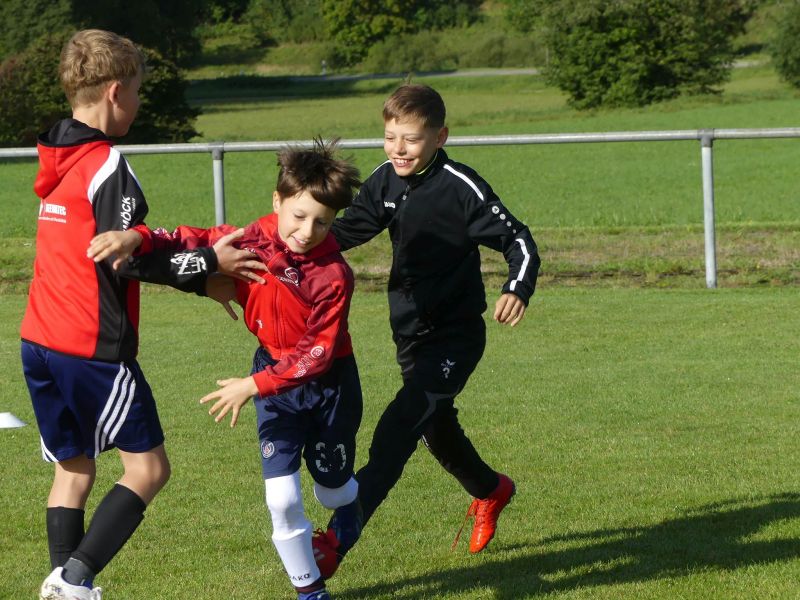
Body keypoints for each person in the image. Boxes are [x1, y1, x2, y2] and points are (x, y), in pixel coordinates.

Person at [23, 29, 265, 600]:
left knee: (74, 469)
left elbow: (123, 249)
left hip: (38, 340)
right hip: (90, 346)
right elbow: (128, 261)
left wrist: (201, 280)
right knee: (149, 470)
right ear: (115, 91)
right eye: (135, 91)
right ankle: (74, 581)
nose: (137, 102)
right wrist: (210, 262)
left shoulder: (57, 159)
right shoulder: (106, 163)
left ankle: (63, 587)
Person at [94, 139, 364, 600]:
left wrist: (252, 386)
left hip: (329, 386)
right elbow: (189, 239)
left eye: (322, 222)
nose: (307, 231)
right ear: (277, 201)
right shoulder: (252, 239)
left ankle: (347, 515)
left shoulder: (333, 275)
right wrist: (137, 237)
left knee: (332, 491)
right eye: (299, 216)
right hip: (274, 383)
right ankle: (311, 592)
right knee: (281, 499)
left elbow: (316, 354)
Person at [313, 83, 541, 574]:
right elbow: (344, 232)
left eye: (411, 139)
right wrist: (285, 247)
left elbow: (518, 240)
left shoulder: (461, 187)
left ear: (440, 137)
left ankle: (334, 542)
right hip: (410, 334)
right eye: (390, 137)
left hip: (455, 336)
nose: (398, 149)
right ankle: (491, 489)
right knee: (434, 427)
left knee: (398, 428)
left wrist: (517, 287)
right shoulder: (385, 180)